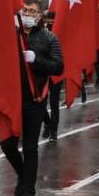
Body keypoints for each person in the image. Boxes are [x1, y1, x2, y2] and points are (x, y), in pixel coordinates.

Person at [1, 0, 63, 196]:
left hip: (35, 100)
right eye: (25, 10)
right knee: (7, 144)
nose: (27, 14)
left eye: (32, 11)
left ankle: (29, 193)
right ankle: (22, 174)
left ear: (40, 15)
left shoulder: (49, 38)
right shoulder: (11, 35)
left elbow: (58, 67)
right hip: (11, 100)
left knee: (30, 147)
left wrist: (36, 59)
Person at [42, 10, 63, 142]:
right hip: (42, 72)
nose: (49, 22)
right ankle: (47, 122)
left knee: (54, 102)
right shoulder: (40, 33)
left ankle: (53, 130)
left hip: (55, 72)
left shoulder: (60, 34)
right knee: (40, 101)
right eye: (47, 20)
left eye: (52, 20)